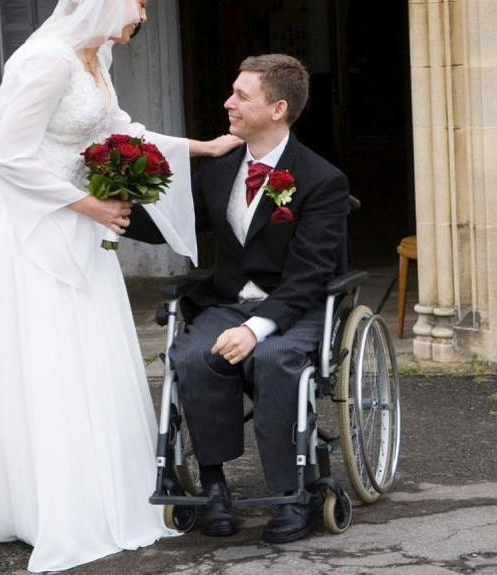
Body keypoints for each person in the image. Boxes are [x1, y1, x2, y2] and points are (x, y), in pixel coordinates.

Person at [0, 1, 240, 572]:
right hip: (28, 223)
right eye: (138, 3)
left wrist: (202, 147)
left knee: (88, 353)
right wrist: (93, 204)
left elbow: (120, 130)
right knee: (48, 355)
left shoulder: (97, 55)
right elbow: (7, 157)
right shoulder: (48, 61)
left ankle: (103, 493)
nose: (142, 16)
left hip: (75, 222)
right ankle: (49, 507)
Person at [127, 54, 351, 544]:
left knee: (274, 359)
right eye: (232, 92)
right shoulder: (219, 166)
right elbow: (175, 224)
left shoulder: (321, 180)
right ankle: (213, 486)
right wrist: (109, 208)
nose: (228, 102)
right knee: (191, 354)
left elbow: (311, 274)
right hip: (227, 301)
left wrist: (256, 328)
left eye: (241, 95)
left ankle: (295, 494)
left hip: (296, 309)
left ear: (278, 108)